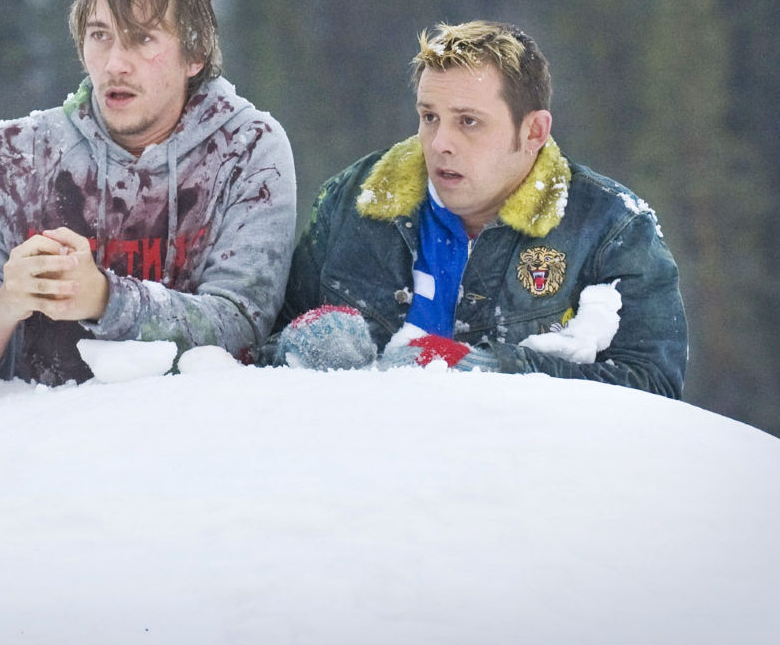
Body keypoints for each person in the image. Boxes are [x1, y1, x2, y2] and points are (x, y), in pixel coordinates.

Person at [0, 0, 297, 384]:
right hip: (33, 439)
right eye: (101, 36)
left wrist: (106, 299)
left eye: (142, 39)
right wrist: (7, 303)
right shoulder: (13, 155)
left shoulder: (248, 148)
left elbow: (243, 330)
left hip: (195, 437)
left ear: (194, 54)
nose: (116, 63)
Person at [273, 20, 688, 397]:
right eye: (429, 117)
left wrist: (490, 371)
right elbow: (257, 355)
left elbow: (654, 388)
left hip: (519, 473)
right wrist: (296, 351)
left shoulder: (612, 228)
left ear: (533, 131)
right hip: (365, 471)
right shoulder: (354, 201)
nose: (439, 144)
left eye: (468, 121)